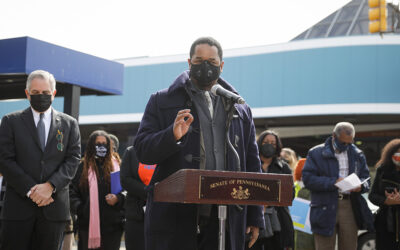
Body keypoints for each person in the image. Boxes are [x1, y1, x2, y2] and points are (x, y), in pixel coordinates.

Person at [133, 37, 264, 250]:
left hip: (227, 217)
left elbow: (252, 164)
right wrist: (171, 136)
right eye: (199, 60)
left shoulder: (240, 108)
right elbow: (142, 151)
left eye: (212, 62)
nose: (206, 66)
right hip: (176, 217)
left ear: (221, 66)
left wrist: (255, 215)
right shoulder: (162, 101)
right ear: (189, 62)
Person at [0, 70, 81, 250]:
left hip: (54, 210)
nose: (41, 96)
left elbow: (73, 159)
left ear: (53, 94)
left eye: (45, 93)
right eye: (35, 93)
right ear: (27, 94)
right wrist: (32, 190)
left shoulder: (69, 124)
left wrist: (50, 186)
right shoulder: (10, 121)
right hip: (18, 210)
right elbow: (5, 160)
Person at [302, 122, 373, 250]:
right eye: (343, 143)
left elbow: (366, 178)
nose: (346, 146)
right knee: (324, 246)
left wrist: (361, 186)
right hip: (324, 205)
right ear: (334, 136)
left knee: (349, 246)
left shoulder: (357, 154)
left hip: (350, 205)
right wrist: (333, 182)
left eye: (349, 143)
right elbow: (308, 179)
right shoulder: (316, 153)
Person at [70, 130, 125, 250]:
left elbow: (126, 190)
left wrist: (118, 198)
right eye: (98, 143)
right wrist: (81, 208)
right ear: (91, 146)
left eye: (104, 143)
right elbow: (71, 192)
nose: (101, 147)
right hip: (87, 227)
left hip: (113, 227)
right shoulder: (81, 167)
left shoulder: (117, 166)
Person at [248, 130, 294, 250]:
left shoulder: (283, 167)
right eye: (266, 142)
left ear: (277, 146)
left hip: (278, 220)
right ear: (259, 143)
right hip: (253, 217)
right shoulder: (250, 164)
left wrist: (268, 202)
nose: (269, 145)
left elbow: (290, 194)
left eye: (273, 143)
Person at [120, 146, 156, 250]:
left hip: (160, 213)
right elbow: (125, 179)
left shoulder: (164, 151)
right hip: (136, 214)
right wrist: (149, 192)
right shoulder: (131, 152)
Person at [369, 138, 400, 250]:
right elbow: (372, 196)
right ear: (390, 154)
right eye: (397, 153)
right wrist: (386, 201)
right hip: (385, 223)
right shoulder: (382, 171)